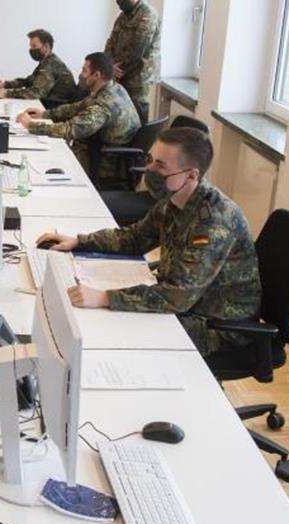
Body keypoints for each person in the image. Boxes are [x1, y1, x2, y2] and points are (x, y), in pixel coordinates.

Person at [35, 128, 260, 356]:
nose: (150, 170)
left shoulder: (214, 223)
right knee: (91, 317)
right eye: (151, 160)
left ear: (192, 175)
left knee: (110, 331)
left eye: (161, 166)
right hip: (188, 304)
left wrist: (105, 297)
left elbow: (177, 296)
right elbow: (135, 238)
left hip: (215, 326)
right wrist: (79, 242)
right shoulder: (175, 197)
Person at [16, 52, 140, 176]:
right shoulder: (113, 87)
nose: (81, 74)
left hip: (108, 163)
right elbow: (78, 106)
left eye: (85, 70)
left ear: (97, 75)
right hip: (108, 150)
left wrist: (30, 125)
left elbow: (70, 129)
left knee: (54, 151)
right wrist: (45, 114)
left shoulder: (103, 105)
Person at [104, 0, 161, 124]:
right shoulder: (123, 16)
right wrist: (109, 64)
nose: (118, 0)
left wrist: (118, 69)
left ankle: (138, 146)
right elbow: (111, 41)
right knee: (121, 116)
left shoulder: (148, 15)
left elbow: (138, 48)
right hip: (118, 73)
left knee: (137, 116)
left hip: (138, 76)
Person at [0, 29, 79, 110]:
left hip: (57, 110)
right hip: (50, 106)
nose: (31, 49)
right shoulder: (46, 62)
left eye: (34, 46)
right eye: (30, 46)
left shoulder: (51, 65)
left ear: (46, 47)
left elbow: (36, 92)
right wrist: (4, 84)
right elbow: (29, 81)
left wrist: (7, 93)